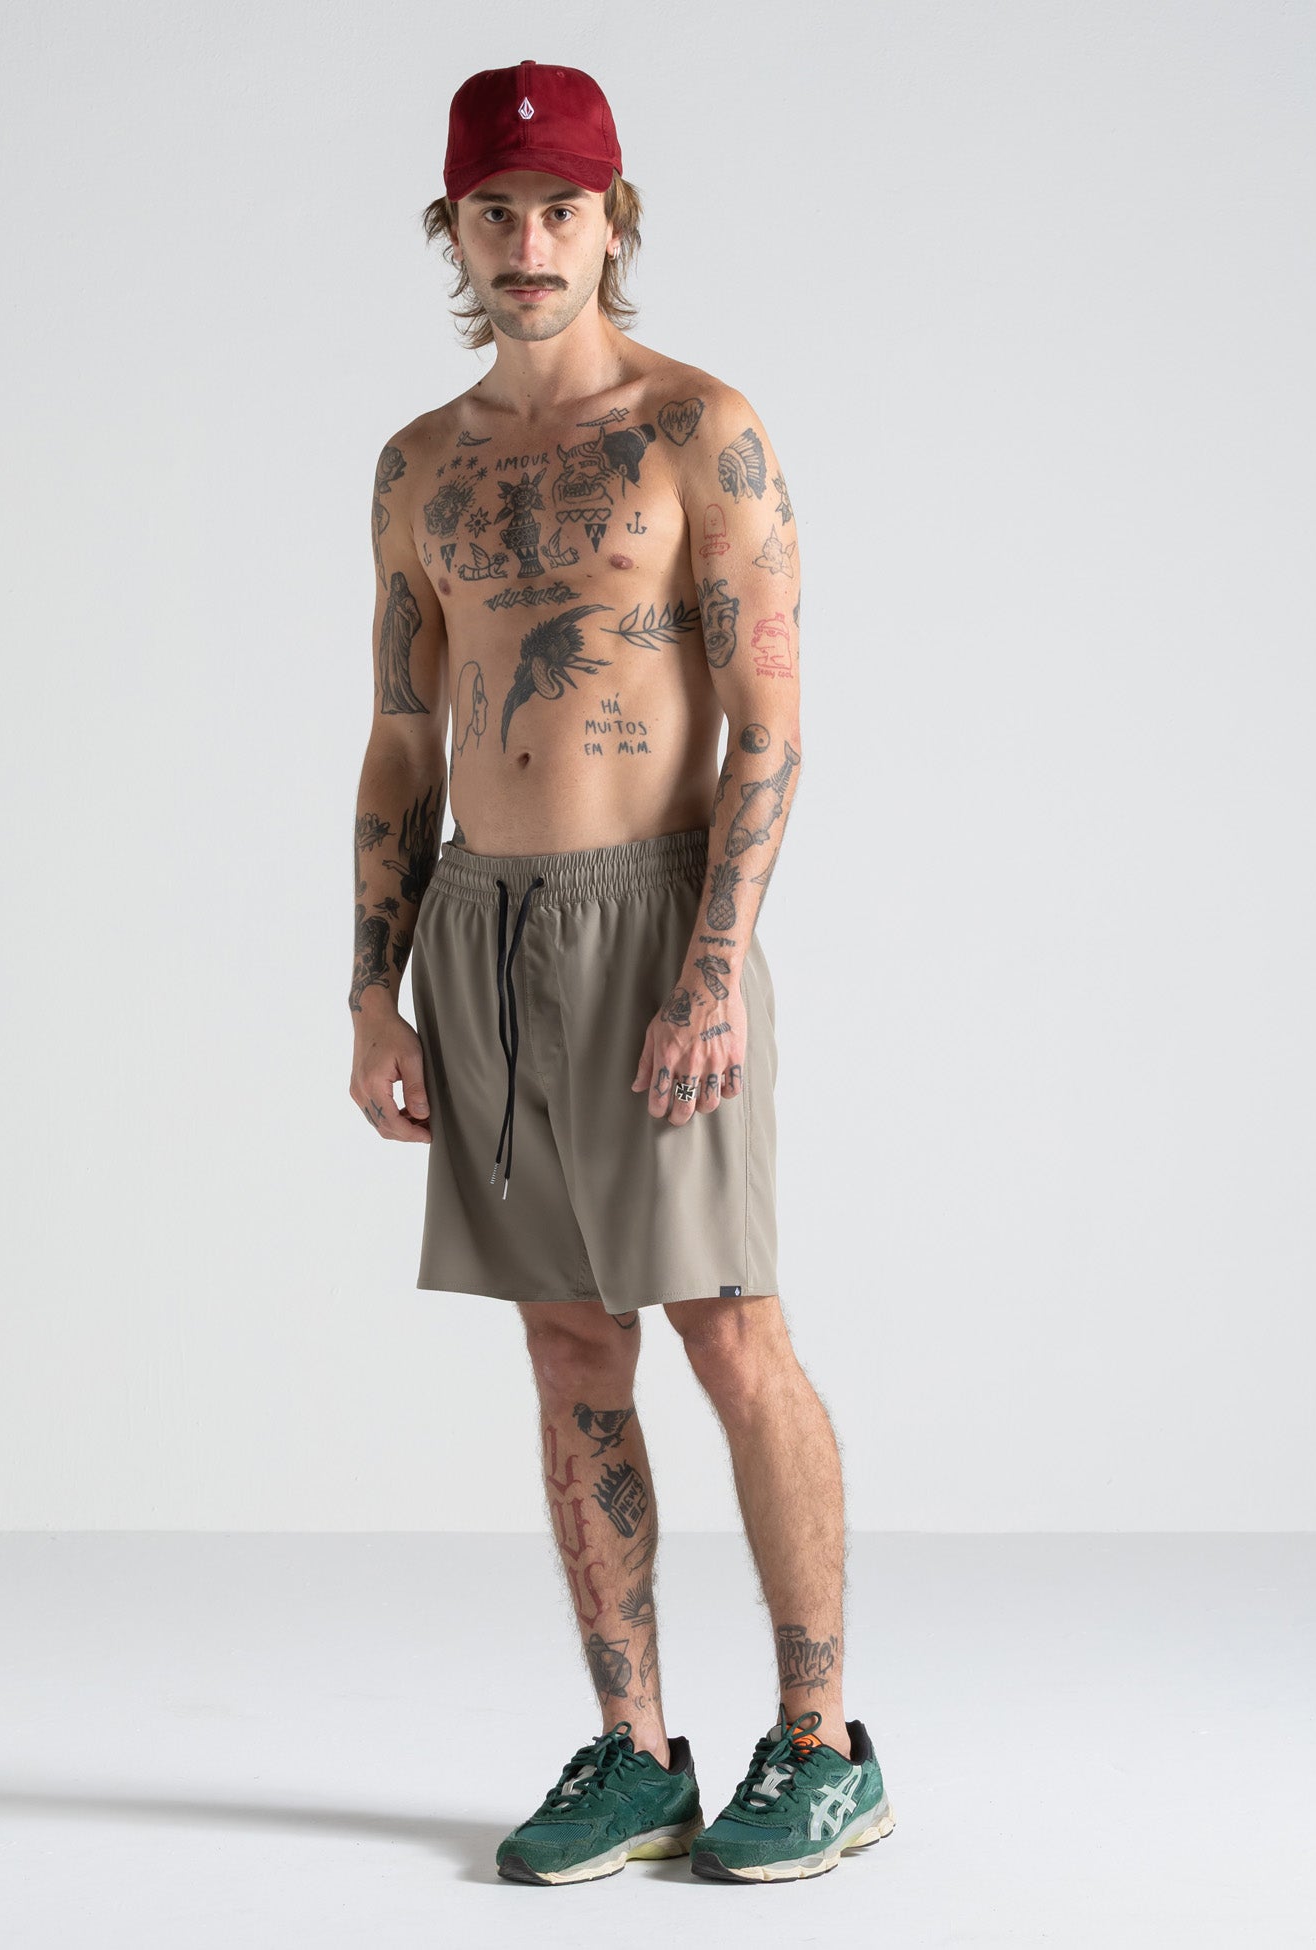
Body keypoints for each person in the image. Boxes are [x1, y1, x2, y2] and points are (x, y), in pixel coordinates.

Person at [348, 58, 895, 1886]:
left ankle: (823, 1744)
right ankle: (638, 1749)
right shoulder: (419, 466)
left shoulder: (697, 432)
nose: (528, 243)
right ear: (454, 230)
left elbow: (771, 724)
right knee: (568, 1340)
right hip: (479, 930)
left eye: (560, 210)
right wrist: (371, 988)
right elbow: (401, 742)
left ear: (612, 222)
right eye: (494, 213)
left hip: (658, 918)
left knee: (728, 1324)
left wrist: (716, 961)